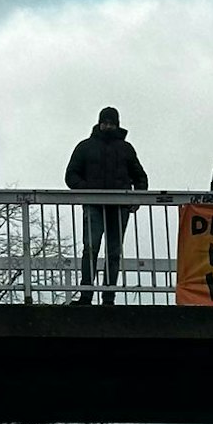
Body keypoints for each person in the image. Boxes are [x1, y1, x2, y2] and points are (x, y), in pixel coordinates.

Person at [64, 106, 148, 305]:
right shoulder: (87, 147)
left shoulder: (123, 149)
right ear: (100, 123)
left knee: (111, 251)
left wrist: (137, 198)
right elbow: (71, 175)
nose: (108, 126)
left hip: (117, 207)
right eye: (106, 122)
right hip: (98, 205)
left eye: (111, 123)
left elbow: (140, 177)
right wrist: (87, 190)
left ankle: (106, 296)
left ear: (116, 124)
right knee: (92, 248)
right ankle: (88, 294)